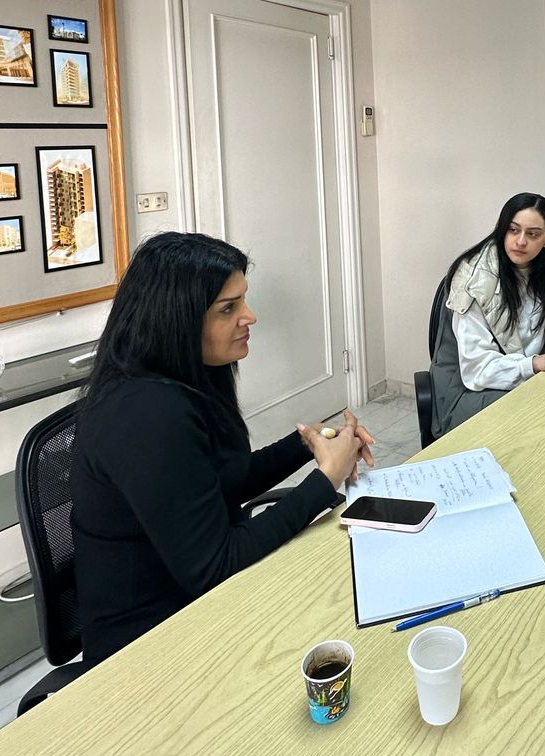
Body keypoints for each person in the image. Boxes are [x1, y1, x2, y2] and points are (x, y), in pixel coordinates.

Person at [71, 232, 373, 665]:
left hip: (194, 599)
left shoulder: (185, 379)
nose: (249, 316)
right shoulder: (146, 414)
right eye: (228, 308)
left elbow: (219, 480)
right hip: (147, 645)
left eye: (243, 300)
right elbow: (216, 567)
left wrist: (309, 442)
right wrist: (325, 479)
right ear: (176, 319)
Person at [429, 192, 545, 437]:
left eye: (532, 234)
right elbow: (478, 368)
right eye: (513, 230)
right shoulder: (474, 280)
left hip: (533, 379)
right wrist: (537, 363)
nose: (520, 241)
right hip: (470, 391)